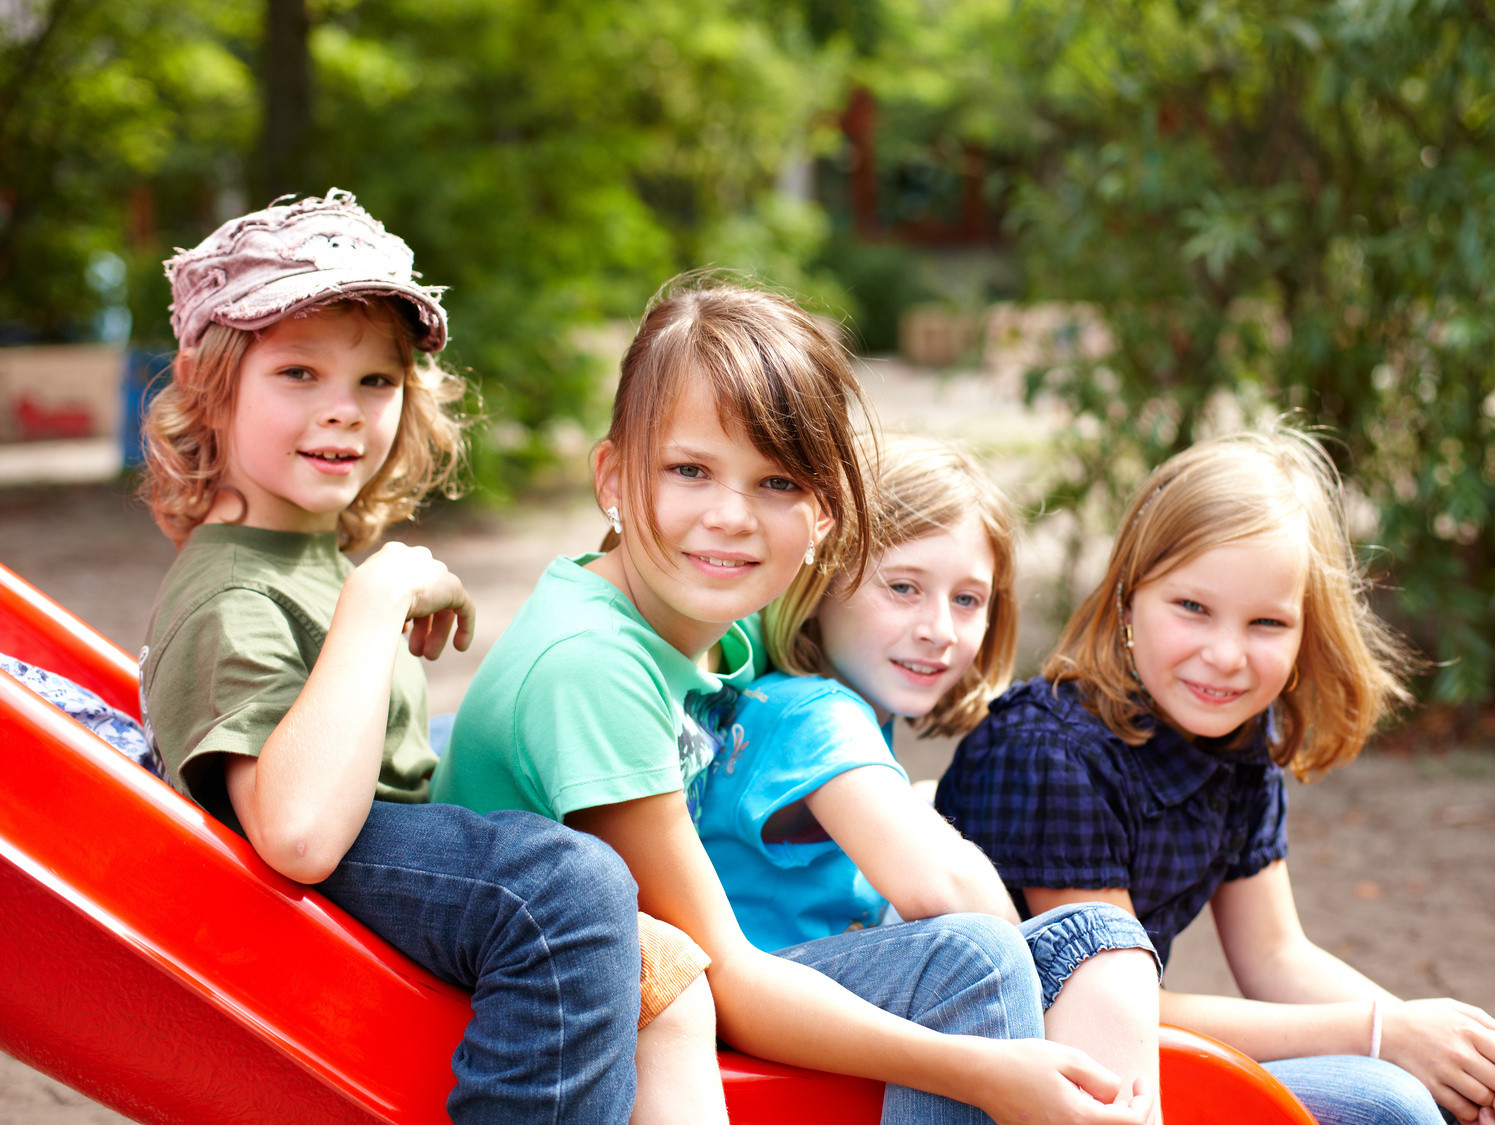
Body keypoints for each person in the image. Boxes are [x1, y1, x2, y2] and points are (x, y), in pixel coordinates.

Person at [433, 279, 1150, 1125]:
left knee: (1054, 949)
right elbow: (722, 975)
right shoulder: (595, 666)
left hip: (662, 997)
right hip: (566, 1039)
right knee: (974, 959)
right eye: (690, 469)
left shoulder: (706, 628)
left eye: (776, 482)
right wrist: (987, 1071)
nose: (732, 516)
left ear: (823, 516)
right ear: (614, 478)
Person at [136, 191, 716, 1125]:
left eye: (376, 381)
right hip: (286, 917)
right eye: (298, 372)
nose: (344, 411)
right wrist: (376, 598)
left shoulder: (300, 554)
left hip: (384, 867)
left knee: (657, 962)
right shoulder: (233, 593)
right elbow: (294, 835)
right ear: (209, 385)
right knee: (565, 887)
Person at [936, 427, 1495, 1125]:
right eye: (1192, 607)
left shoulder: (1239, 743)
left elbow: (1275, 953)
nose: (1227, 655)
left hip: (1127, 1061)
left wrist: (1445, 1044)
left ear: (1305, 633)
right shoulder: (1050, 750)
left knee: (1428, 1089)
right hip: (1026, 1076)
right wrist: (1382, 1034)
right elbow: (1108, 1009)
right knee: (1391, 1103)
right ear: (1127, 598)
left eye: (1267, 621)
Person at [697, 433, 1162, 1121]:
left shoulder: (817, 715)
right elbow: (948, 888)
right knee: (1049, 941)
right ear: (821, 583)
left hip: (787, 1012)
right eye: (904, 587)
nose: (939, 628)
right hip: (755, 1027)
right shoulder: (811, 712)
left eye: (968, 600)